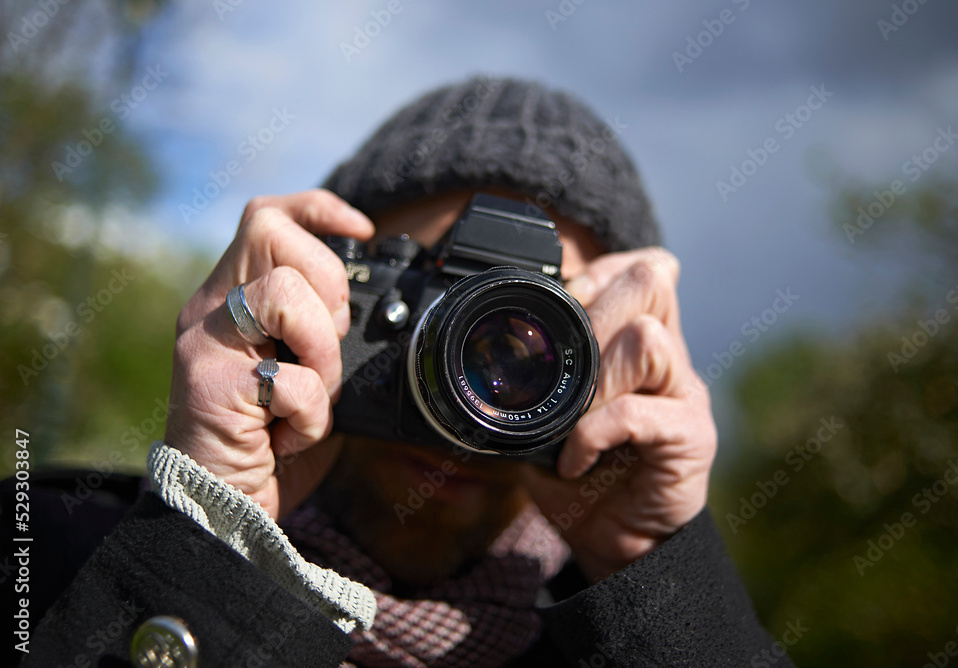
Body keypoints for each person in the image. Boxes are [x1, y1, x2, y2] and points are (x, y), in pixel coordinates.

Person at [11, 77, 795, 667]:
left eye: (540, 332)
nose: (472, 388)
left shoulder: (623, 641)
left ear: (615, 364)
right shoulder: (47, 546)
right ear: (314, 282)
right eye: (429, 297)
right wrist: (210, 543)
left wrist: (655, 581)